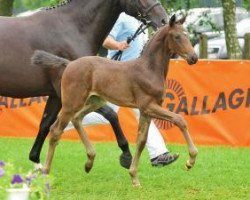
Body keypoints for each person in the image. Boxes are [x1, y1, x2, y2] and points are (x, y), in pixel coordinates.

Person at [102, 12, 179, 167]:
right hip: (119, 75)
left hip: (137, 76)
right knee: (105, 115)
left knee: (144, 111)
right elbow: (105, 40)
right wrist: (118, 45)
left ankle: (158, 155)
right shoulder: (121, 17)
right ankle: (65, 121)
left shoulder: (142, 20)